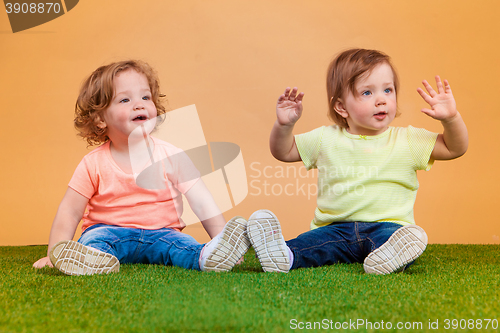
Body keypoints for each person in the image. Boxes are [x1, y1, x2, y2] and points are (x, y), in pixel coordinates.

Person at [246, 48, 468, 274]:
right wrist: (284, 126)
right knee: (311, 245)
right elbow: (284, 152)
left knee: (399, 240)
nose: (381, 100)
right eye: (367, 93)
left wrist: (451, 119)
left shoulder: (408, 139)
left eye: (388, 90)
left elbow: (454, 148)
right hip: (335, 230)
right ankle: (284, 254)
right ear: (341, 106)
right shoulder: (325, 138)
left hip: (387, 227)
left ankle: (387, 257)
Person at [33, 60, 249, 275]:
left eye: (145, 97)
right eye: (125, 99)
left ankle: (212, 255)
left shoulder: (172, 156)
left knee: (184, 247)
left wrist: (220, 238)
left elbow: (202, 202)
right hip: (107, 232)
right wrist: (54, 253)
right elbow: (70, 212)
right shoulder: (92, 163)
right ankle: (90, 261)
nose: (139, 104)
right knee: (93, 241)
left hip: (163, 234)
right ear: (100, 119)